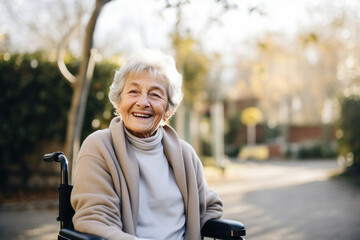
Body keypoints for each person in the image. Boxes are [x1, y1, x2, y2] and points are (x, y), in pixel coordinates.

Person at [71, 49, 223, 240]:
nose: (143, 102)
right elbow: (94, 221)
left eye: (155, 95)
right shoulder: (99, 147)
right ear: (118, 102)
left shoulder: (185, 154)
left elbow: (210, 205)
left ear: (168, 110)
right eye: (133, 91)